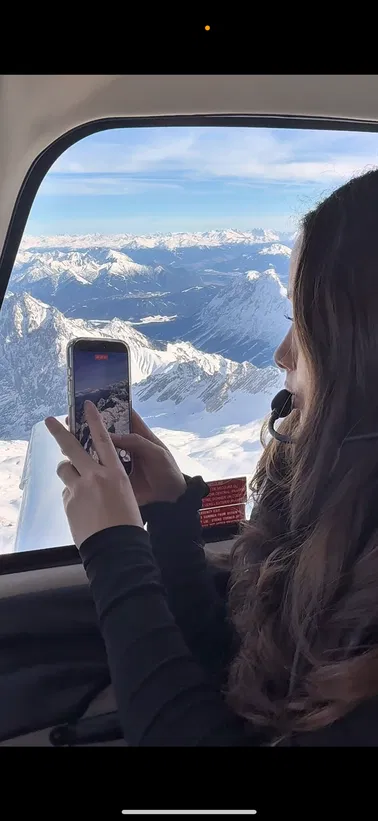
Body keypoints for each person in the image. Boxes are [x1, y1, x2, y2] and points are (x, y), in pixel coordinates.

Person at [46, 168, 378, 747]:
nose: (281, 354)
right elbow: (239, 676)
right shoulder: (344, 517)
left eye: (305, 328)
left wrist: (113, 549)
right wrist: (172, 517)